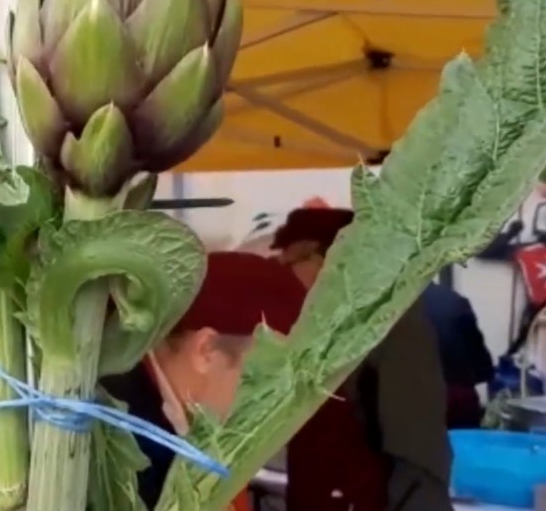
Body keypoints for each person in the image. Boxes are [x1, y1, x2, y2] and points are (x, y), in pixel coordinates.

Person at [273, 207, 453, 511]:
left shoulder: (389, 323)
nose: (285, 274)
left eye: (290, 263)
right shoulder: (324, 322)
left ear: (329, 260)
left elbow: (416, 446)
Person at [101, 251, 304, 510]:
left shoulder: (180, 423)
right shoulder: (118, 437)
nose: (278, 400)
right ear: (206, 351)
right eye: (270, 377)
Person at [421, 281, 494, 429]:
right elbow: (483, 365)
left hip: (414, 399)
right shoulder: (455, 300)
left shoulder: (391, 307)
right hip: (459, 397)